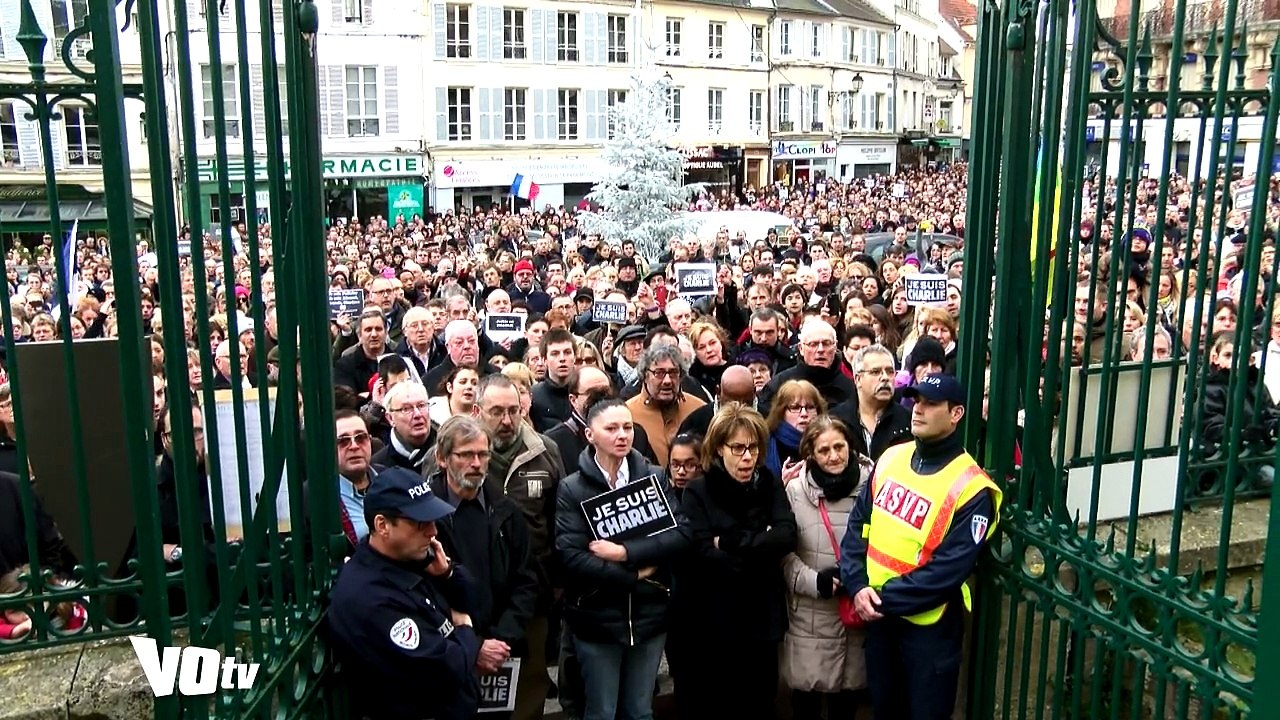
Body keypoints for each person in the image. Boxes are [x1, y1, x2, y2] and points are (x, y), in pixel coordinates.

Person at [839, 374, 1003, 720]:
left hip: (929, 628)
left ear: (956, 413)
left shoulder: (972, 488)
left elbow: (948, 570)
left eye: (930, 403)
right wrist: (856, 585)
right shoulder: (891, 459)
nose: (918, 410)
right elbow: (858, 527)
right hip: (879, 617)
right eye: (915, 401)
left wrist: (878, 598)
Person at [555, 398, 690, 720]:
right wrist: (632, 575)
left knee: (640, 711)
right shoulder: (572, 488)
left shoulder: (655, 477)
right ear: (590, 435)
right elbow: (572, 557)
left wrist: (625, 553)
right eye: (611, 428)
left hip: (650, 615)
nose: (622, 435)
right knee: (601, 712)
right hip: (597, 619)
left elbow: (682, 535)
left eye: (627, 427)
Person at [673, 402, 798, 720]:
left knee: (761, 701)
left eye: (753, 448)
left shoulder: (768, 482)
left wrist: (728, 541)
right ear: (718, 449)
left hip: (763, 615)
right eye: (738, 448)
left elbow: (785, 536)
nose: (747, 457)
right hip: (715, 621)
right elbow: (702, 553)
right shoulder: (699, 491)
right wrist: (759, 542)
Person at [326, 466, 481, 720]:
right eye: (419, 523)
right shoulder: (369, 596)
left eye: (432, 520)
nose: (432, 531)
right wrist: (464, 629)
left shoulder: (412, 558)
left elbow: (478, 604)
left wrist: (448, 575)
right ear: (383, 525)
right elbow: (446, 668)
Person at [426, 416, 542, 720]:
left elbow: (526, 581)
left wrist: (500, 640)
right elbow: (423, 594)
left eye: (483, 454)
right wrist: (474, 646)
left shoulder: (505, 510)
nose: (476, 463)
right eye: (466, 455)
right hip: (448, 657)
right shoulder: (424, 519)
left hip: (502, 652)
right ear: (442, 458)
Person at [781, 416, 870, 720]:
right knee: (805, 703)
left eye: (839, 447)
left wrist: (859, 579)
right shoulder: (795, 492)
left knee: (846, 705)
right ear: (810, 454)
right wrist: (813, 581)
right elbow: (782, 554)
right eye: (824, 450)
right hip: (810, 615)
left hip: (854, 612)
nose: (833, 456)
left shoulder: (873, 486)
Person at [625, 343, 705, 466]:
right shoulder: (627, 414)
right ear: (645, 376)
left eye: (673, 373)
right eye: (659, 373)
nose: (667, 381)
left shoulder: (699, 409)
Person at [831, 344, 913, 461]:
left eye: (890, 371)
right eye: (875, 372)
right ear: (858, 379)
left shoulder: (909, 420)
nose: (885, 377)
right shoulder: (834, 420)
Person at [371, 381, 435, 472]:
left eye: (421, 406)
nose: (417, 414)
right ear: (390, 418)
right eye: (406, 409)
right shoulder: (378, 467)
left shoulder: (450, 450)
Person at [531, 329, 577, 432]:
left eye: (567, 352)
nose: (562, 358)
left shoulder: (586, 392)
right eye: (555, 353)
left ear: (575, 357)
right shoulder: (534, 396)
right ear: (544, 360)